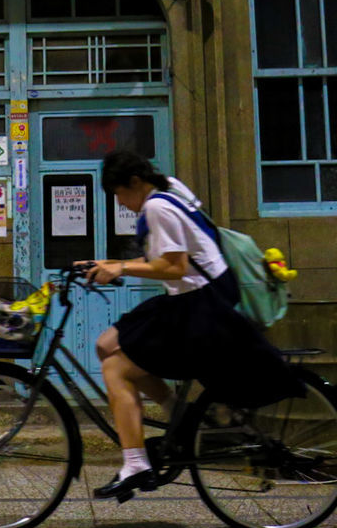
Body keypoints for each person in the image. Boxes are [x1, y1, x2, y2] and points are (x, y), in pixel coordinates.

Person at [81, 150, 303, 502]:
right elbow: (165, 258)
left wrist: (120, 269)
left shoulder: (157, 208)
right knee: (107, 343)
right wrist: (109, 263)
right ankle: (180, 417)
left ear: (135, 184)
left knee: (115, 368)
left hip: (202, 308)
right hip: (194, 300)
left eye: (120, 194)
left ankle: (136, 464)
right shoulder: (167, 194)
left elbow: (174, 267)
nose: (121, 203)